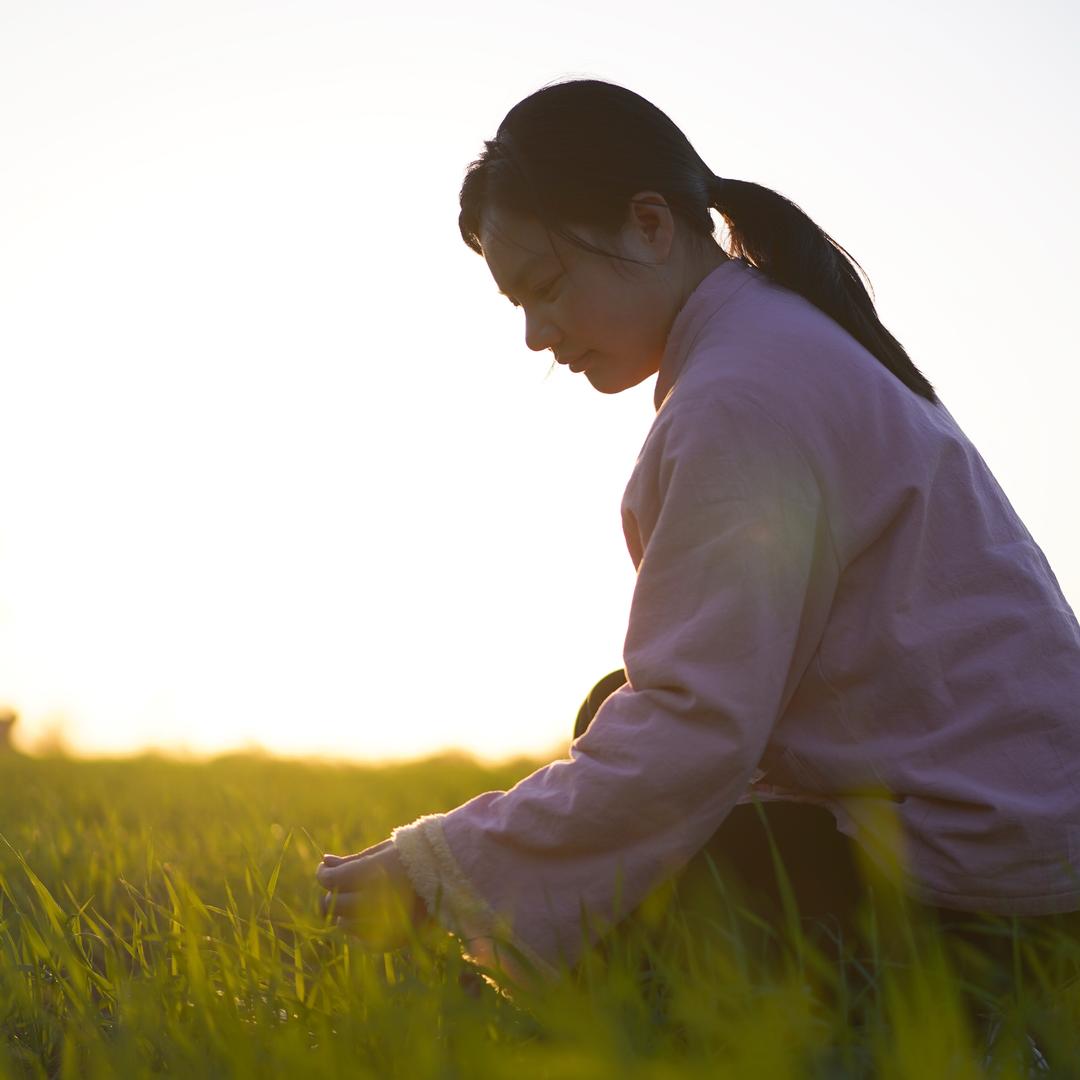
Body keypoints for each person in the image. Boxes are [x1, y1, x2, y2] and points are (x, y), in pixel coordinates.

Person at [316, 78, 1080, 1006]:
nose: (532, 334)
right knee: (615, 714)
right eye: (515, 303)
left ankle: (958, 1009)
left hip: (988, 889)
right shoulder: (780, 337)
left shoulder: (742, 395)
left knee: (627, 912)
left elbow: (696, 724)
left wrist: (438, 865)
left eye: (547, 287)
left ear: (650, 224)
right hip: (1020, 841)